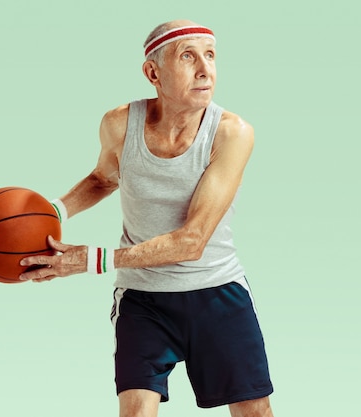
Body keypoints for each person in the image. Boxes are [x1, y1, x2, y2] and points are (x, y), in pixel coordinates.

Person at [19, 19, 274, 417]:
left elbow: (191, 242)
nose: (205, 69)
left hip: (216, 291)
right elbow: (104, 178)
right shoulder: (120, 124)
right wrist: (49, 213)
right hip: (144, 300)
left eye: (210, 55)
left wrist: (89, 260)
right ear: (153, 73)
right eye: (188, 56)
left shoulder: (232, 133)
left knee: (254, 411)